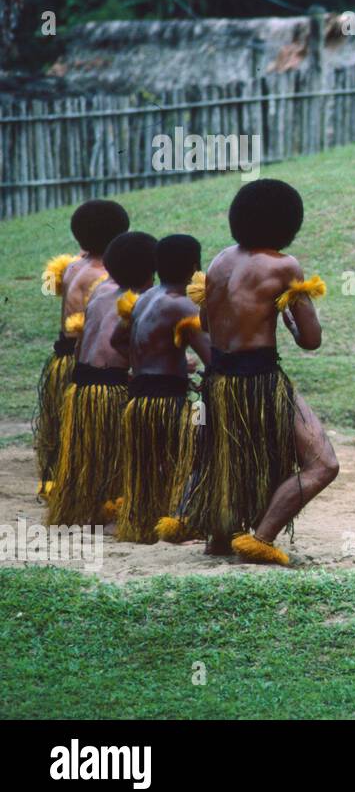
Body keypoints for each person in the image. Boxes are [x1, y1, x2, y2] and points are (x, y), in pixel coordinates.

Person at [164, 179, 338, 566]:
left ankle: (221, 540)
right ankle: (260, 538)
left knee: (229, 460)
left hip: (218, 382)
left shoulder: (219, 262)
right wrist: (291, 324)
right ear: (287, 223)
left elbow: (206, 324)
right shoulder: (285, 266)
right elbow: (311, 340)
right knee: (323, 464)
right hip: (259, 380)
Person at [46, 230, 156, 527]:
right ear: (150, 273)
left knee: (87, 453)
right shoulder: (138, 301)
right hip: (110, 387)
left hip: (81, 384)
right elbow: (131, 349)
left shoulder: (101, 289)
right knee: (117, 452)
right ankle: (118, 505)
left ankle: (81, 505)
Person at [117, 235, 211, 543]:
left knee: (148, 466)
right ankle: (180, 522)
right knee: (192, 456)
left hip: (139, 398)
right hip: (165, 401)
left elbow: (117, 341)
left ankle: (144, 525)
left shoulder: (145, 297)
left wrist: (156, 361)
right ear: (195, 267)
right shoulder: (181, 304)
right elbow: (211, 356)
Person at [33, 199, 129, 499]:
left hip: (62, 359)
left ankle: (57, 482)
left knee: (64, 427)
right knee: (86, 434)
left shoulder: (75, 264)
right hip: (83, 362)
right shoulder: (103, 276)